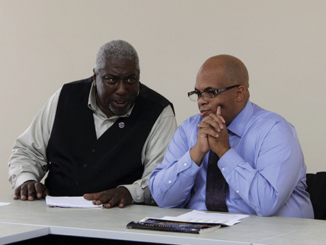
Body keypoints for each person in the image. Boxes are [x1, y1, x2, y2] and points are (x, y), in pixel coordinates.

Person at [8, 40, 177, 208]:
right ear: (96, 77)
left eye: (131, 80)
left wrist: (129, 193)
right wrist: (26, 180)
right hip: (54, 216)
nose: (122, 89)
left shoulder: (159, 113)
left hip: (118, 220)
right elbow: (27, 151)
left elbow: (161, 181)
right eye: (112, 80)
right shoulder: (66, 97)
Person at [149, 54, 314, 218]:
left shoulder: (274, 130)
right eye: (198, 93)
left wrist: (224, 152)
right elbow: (162, 198)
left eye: (210, 93)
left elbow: (267, 203)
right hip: (201, 234)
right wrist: (196, 153)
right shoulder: (189, 130)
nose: (201, 101)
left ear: (239, 93)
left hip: (270, 237)